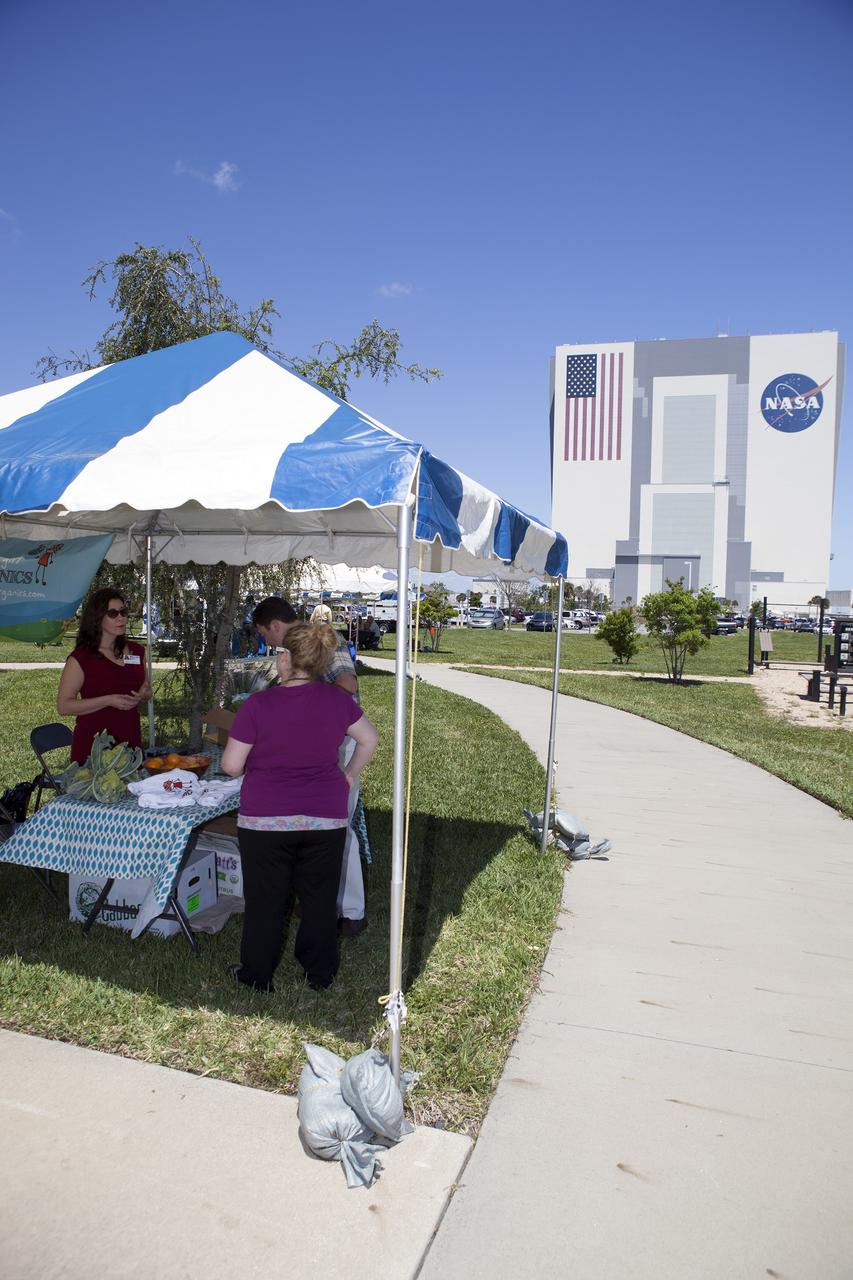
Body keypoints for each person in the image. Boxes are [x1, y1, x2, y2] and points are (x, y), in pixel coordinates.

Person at [221, 624, 378, 992]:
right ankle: (319, 973)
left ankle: (257, 974)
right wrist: (349, 773)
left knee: (265, 901)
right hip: (325, 816)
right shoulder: (338, 700)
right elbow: (369, 740)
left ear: (284, 658)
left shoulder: (258, 705)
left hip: (265, 819)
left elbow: (230, 765)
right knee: (320, 899)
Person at [252, 596, 368, 936]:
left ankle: (351, 911)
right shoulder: (294, 648)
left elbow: (348, 684)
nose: (267, 642)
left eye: (264, 634)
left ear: (273, 625)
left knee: (337, 829)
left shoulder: (322, 641)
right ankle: (320, 899)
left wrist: (305, 699)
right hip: (314, 748)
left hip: (339, 744)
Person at [57, 588, 152, 765]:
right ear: (97, 617)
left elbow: (147, 690)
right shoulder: (81, 658)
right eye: (113, 613)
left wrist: (143, 694)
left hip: (130, 742)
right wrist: (108, 700)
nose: (121, 618)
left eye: (123, 612)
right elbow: (63, 706)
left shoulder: (137, 651)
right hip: (93, 749)